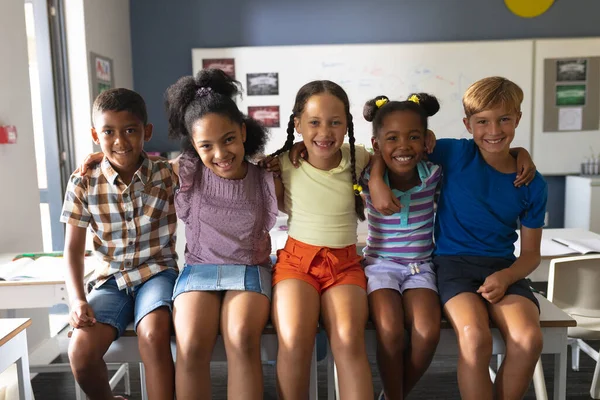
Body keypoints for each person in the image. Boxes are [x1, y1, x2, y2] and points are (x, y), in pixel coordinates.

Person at [370, 76, 547, 400]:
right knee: (474, 337)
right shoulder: (454, 153)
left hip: (504, 268)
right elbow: (392, 148)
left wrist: (506, 277)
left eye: (504, 119)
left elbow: (531, 255)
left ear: (518, 119)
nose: (494, 130)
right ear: (468, 124)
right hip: (452, 268)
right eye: (483, 122)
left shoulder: (533, 183)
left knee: (529, 338)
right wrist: (378, 178)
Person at [164, 68, 279, 399]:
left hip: (249, 269)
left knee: (242, 337)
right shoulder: (186, 171)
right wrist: (103, 155)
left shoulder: (265, 176)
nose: (220, 154)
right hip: (199, 269)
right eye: (206, 145)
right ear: (194, 147)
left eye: (228, 139)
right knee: (189, 343)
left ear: (243, 132)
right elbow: (139, 167)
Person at [62, 88, 178, 400]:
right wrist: (76, 301)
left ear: (147, 132)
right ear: (95, 135)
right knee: (81, 352)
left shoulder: (168, 174)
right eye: (108, 132)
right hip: (110, 281)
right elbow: (72, 250)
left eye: (130, 130)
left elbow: (210, 156)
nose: (120, 142)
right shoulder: (83, 181)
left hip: (157, 273)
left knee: (153, 335)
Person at [269, 80, 374, 400]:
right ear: (297, 124)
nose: (324, 132)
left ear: (347, 125)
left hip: (345, 264)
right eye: (314, 122)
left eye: (335, 122)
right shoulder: (282, 161)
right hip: (296, 264)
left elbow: (394, 148)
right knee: (294, 339)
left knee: (347, 340)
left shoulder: (359, 156)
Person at [361, 93, 442, 400]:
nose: (404, 145)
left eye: (414, 137)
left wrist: (521, 152)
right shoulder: (365, 175)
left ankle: (393, 396)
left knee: (427, 333)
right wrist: (377, 172)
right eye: (392, 138)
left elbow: (476, 150)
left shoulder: (434, 173)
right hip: (380, 265)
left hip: (420, 267)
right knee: (391, 332)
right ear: (376, 145)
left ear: (426, 141)